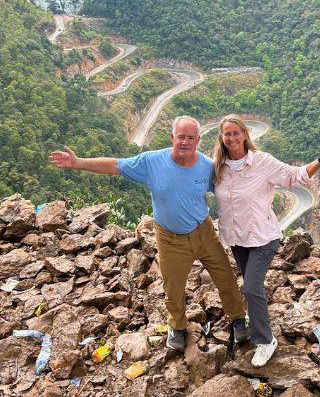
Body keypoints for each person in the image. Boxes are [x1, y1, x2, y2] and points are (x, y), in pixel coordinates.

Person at [48, 116, 247, 352]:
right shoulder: (152, 162)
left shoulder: (206, 166)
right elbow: (115, 165)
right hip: (170, 238)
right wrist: (78, 162)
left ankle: (238, 319)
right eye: (181, 137)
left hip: (203, 232)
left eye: (190, 138)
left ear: (198, 140)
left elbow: (231, 189)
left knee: (225, 276)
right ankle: (177, 326)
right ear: (172, 137)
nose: (185, 142)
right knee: (173, 287)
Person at [211, 115, 320, 367]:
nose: (232, 138)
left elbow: (296, 176)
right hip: (237, 238)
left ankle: (265, 340)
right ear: (222, 138)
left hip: (263, 238)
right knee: (251, 286)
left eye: (236, 133)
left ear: (245, 134)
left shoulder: (262, 162)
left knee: (251, 287)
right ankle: (255, 318)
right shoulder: (218, 166)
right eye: (227, 134)